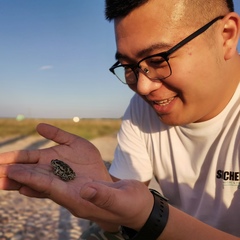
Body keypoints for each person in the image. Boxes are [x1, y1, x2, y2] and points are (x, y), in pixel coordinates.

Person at [0, 0, 239, 239]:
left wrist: (149, 216)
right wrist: (102, 192)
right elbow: (115, 220)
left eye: (158, 60)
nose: (143, 87)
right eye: (128, 66)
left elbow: (141, 215)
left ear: (226, 36)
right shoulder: (144, 108)